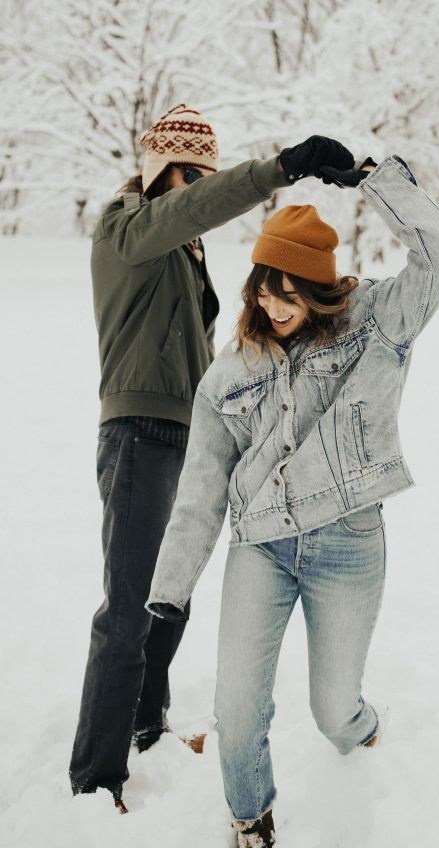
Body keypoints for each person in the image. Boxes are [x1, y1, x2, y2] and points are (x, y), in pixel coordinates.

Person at [146, 150, 439, 846]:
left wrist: (381, 183)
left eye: (289, 292)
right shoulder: (228, 376)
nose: (271, 304)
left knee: (332, 710)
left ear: (320, 291)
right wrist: (169, 592)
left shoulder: (377, 323)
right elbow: (201, 491)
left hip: (348, 541)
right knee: (236, 706)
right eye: (263, 288)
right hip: (261, 545)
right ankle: (250, 819)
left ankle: (363, 731)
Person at [68, 102, 353, 812]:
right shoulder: (128, 227)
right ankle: (94, 780)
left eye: (205, 171)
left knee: (171, 593)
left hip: (183, 436)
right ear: (161, 169)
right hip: (136, 432)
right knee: (129, 608)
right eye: (188, 173)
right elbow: (194, 209)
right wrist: (281, 168)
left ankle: (144, 724)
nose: (198, 184)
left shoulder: (182, 251)